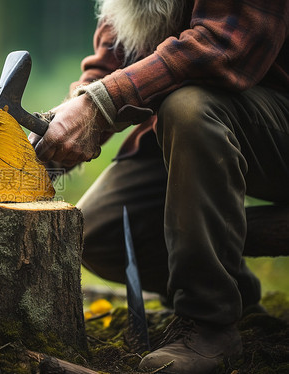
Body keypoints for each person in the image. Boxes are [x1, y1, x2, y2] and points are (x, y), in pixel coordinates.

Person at [29, 0, 289, 373]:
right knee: (102, 231)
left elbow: (222, 48)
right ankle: (238, 297)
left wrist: (97, 105)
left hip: (269, 119)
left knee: (189, 107)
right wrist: (62, 127)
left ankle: (209, 323)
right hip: (187, 130)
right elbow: (109, 65)